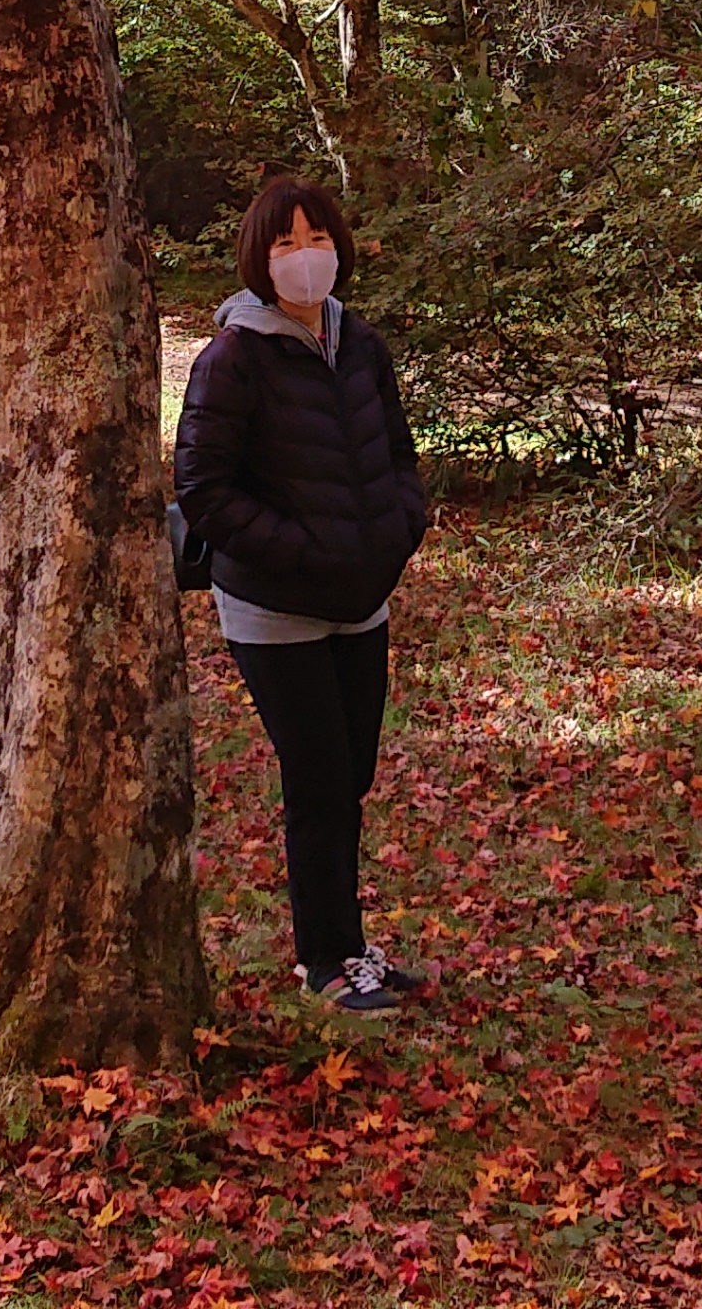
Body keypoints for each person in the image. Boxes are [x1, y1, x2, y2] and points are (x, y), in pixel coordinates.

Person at [173, 175, 435, 1016]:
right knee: (318, 777)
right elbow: (203, 490)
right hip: (274, 610)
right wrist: (303, 553)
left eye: (313, 238)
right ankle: (325, 959)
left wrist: (397, 531)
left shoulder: (359, 345)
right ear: (259, 260)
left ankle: (352, 945)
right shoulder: (234, 357)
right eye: (283, 244)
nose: (302, 258)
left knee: (350, 771)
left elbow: (396, 454)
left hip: (362, 599)